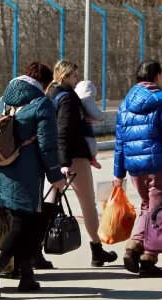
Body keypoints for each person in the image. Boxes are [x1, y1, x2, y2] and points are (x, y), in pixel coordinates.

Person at [0, 63, 66, 298]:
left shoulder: (1, 102)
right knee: (22, 225)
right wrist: (56, 177)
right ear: (46, 84)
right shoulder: (41, 104)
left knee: (31, 221)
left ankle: (26, 276)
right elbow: (47, 146)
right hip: (25, 175)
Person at [113, 60, 162, 277]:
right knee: (158, 212)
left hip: (134, 166)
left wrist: (118, 172)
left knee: (148, 206)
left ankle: (134, 245)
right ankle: (148, 259)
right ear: (157, 76)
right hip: (159, 166)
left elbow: (120, 141)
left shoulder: (125, 103)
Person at [45, 61, 117, 268]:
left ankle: (33, 251)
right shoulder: (67, 97)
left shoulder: (52, 95)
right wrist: (66, 162)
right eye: (75, 76)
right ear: (66, 76)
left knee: (49, 204)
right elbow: (64, 131)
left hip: (54, 158)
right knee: (88, 204)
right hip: (73, 158)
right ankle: (97, 251)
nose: (77, 80)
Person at [75, 79, 103, 169]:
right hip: (85, 131)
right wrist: (100, 117)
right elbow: (95, 112)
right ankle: (92, 157)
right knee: (90, 143)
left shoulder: (75, 100)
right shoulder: (86, 100)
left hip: (81, 130)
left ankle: (92, 158)